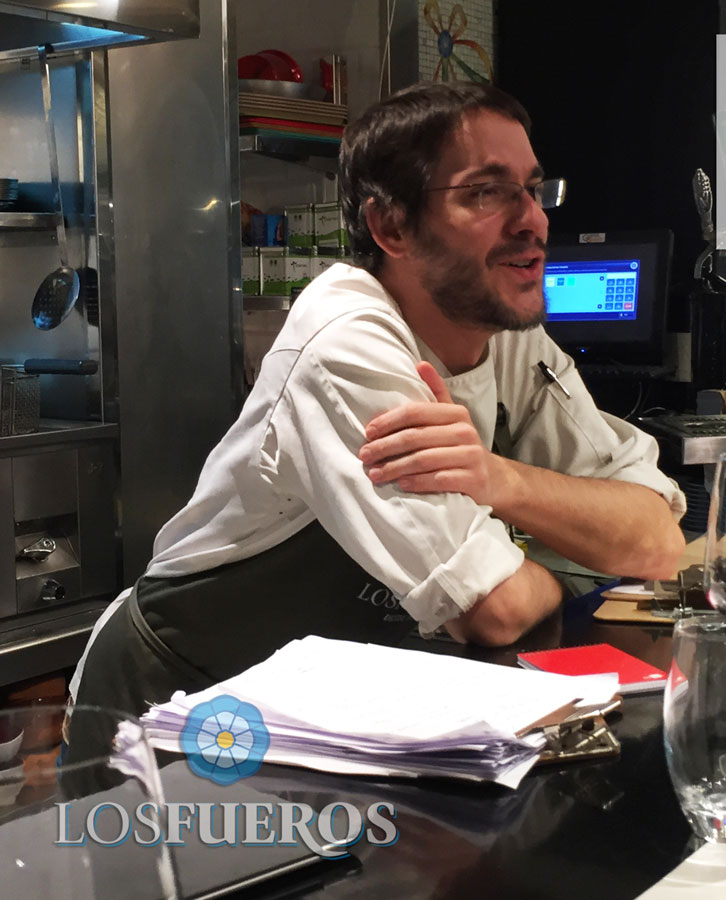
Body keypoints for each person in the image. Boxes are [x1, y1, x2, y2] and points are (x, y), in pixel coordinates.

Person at [68, 82, 686, 727]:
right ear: (391, 226)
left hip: (314, 710)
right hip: (177, 698)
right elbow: (493, 610)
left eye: (533, 189)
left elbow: (656, 543)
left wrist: (500, 480)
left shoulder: (508, 335)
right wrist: (577, 565)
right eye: (486, 192)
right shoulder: (345, 344)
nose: (533, 219)